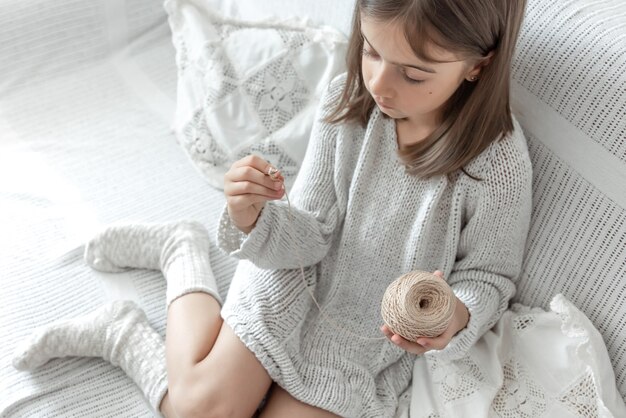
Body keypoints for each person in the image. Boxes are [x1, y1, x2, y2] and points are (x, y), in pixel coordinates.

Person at [12, 0, 531, 416]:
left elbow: (490, 275)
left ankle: (139, 306)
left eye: (413, 75)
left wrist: (457, 317)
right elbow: (308, 231)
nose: (379, 85)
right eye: (371, 51)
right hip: (293, 280)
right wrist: (252, 217)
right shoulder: (346, 103)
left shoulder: (498, 162)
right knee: (201, 410)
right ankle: (172, 264)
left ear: (477, 66)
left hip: (365, 340)